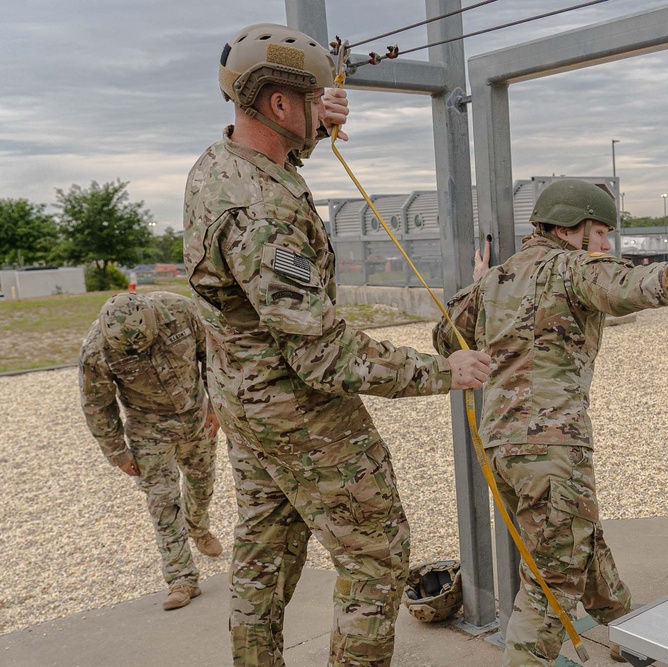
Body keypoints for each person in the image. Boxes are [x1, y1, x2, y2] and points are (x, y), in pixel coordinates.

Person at [182, 23, 491, 667]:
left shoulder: (221, 165)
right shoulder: (261, 214)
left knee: (264, 553)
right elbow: (323, 354)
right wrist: (445, 370)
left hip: (246, 403)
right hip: (298, 410)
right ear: (277, 104)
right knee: (375, 554)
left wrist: (313, 125)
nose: (327, 105)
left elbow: (276, 161)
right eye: (313, 96)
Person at [433, 179, 668, 666]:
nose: (607, 245)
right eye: (601, 232)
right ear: (571, 229)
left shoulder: (497, 278)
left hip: (502, 448)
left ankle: (628, 631)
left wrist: (477, 282)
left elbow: (446, 337)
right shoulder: (574, 269)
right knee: (554, 577)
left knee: (575, 540)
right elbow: (633, 287)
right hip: (552, 448)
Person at [79, 291, 223, 611]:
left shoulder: (181, 310)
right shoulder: (96, 350)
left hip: (198, 418)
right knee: (162, 500)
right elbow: (97, 406)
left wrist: (217, 405)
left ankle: (198, 527)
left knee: (202, 485)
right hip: (149, 431)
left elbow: (212, 357)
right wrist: (118, 452)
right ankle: (181, 578)